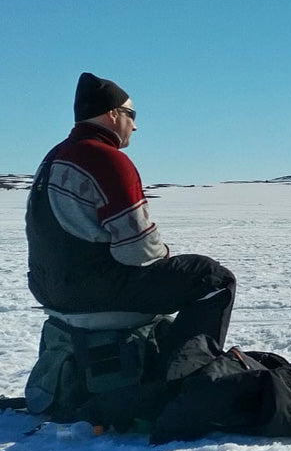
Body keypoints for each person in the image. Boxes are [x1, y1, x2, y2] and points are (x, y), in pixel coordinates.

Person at [25, 72, 236, 354]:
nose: (134, 126)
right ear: (112, 114)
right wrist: (165, 256)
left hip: (48, 286)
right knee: (214, 279)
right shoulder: (106, 159)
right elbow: (139, 251)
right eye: (131, 114)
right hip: (93, 288)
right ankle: (189, 373)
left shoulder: (54, 156)